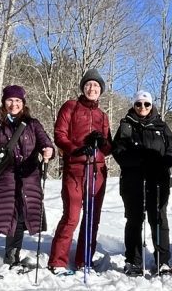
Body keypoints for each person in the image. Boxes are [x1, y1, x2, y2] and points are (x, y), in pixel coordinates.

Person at [0, 85, 54, 277]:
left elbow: (45, 141)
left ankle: (12, 259)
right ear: (3, 102)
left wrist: (48, 149)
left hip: (25, 180)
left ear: (23, 103)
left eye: (18, 100)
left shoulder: (32, 124)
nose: (14, 104)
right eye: (10, 100)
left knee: (19, 220)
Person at [48, 69, 113, 275]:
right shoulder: (71, 106)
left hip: (97, 170)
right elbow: (59, 134)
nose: (92, 88)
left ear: (100, 90)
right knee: (71, 216)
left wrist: (102, 142)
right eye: (88, 85)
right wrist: (76, 149)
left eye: (96, 86)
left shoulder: (102, 116)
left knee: (92, 218)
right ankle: (57, 261)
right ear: (83, 87)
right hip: (75, 169)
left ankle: (84, 261)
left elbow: (108, 148)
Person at [112, 90, 172, 276]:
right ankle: (133, 260)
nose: (143, 107)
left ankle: (162, 261)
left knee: (158, 219)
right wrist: (138, 160)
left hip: (157, 180)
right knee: (134, 219)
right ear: (134, 105)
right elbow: (118, 151)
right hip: (133, 180)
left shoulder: (161, 126)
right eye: (139, 104)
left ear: (151, 105)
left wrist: (165, 162)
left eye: (146, 104)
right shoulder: (126, 125)